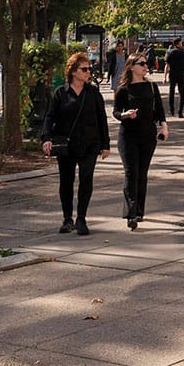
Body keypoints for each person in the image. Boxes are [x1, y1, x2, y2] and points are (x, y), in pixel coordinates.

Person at [42, 53, 111, 236]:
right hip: (67, 145)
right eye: (84, 69)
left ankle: (81, 218)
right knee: (66, 181)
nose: (88, 72)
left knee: (86, 180)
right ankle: (67, 219)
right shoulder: (60, 93)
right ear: (73, 71)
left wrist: (106, 144)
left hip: (90, 144)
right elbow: (50, 117)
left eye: (89, 69)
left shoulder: (93, 93)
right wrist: (46, 138)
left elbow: (102, 119)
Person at [113, 53, 169, 230]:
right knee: (131, 172)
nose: (146, 66)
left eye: (147, 63)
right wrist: (124, 115)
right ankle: (130, 213)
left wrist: (164, 127)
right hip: (128, 134)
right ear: (131, 67)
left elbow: (159, 109)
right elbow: (115, 112)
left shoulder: (151, 87)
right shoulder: (124, 89)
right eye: (142, 63)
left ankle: (139, 211)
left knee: (142, 173)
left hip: (147, 134)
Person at [163, 37, 184, 117]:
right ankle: (180, 112)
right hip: (181, 74)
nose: (182, 44)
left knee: (171, 92)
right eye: (181, 43)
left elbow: (167, 65)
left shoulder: (170, 53)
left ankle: (171, 110)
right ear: (178, 43)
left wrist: (165, 76)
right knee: (181, 93)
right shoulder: (183, 53)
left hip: (172, 74)